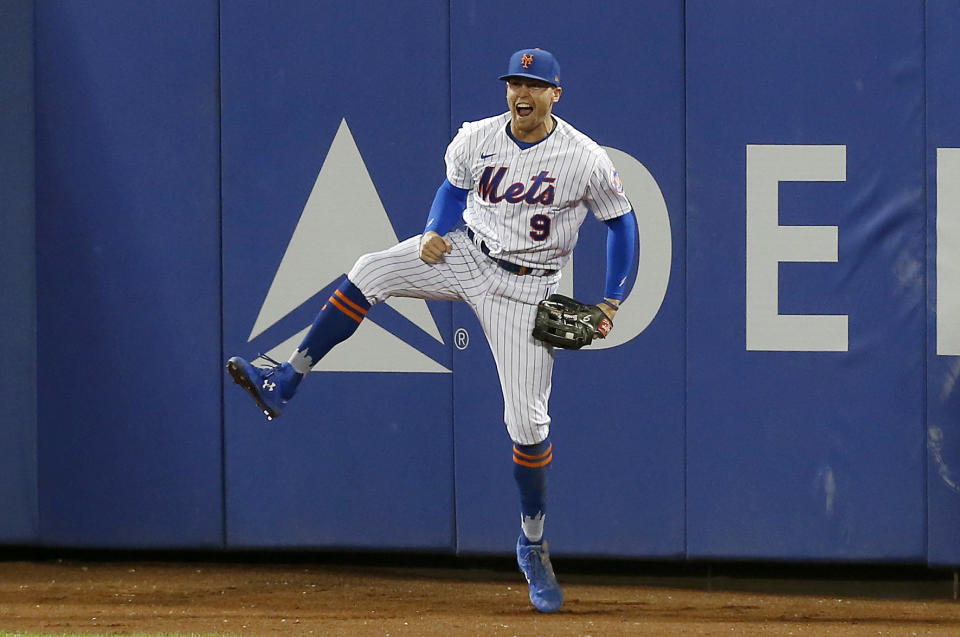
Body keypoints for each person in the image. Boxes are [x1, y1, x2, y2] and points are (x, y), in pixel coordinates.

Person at [227, 47, 638, 613]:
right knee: (371, 269)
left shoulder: (583, 157)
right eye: (515, 83)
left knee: (526, 424)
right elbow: (452, 189)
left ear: (555, 95)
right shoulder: (477, 137)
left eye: (534, 85)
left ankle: (533, 543)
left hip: (529, 289)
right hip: (468, 252)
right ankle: (284, 381)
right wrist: (432, 231)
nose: (522, 93)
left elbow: (621, 221)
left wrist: (613, 298)